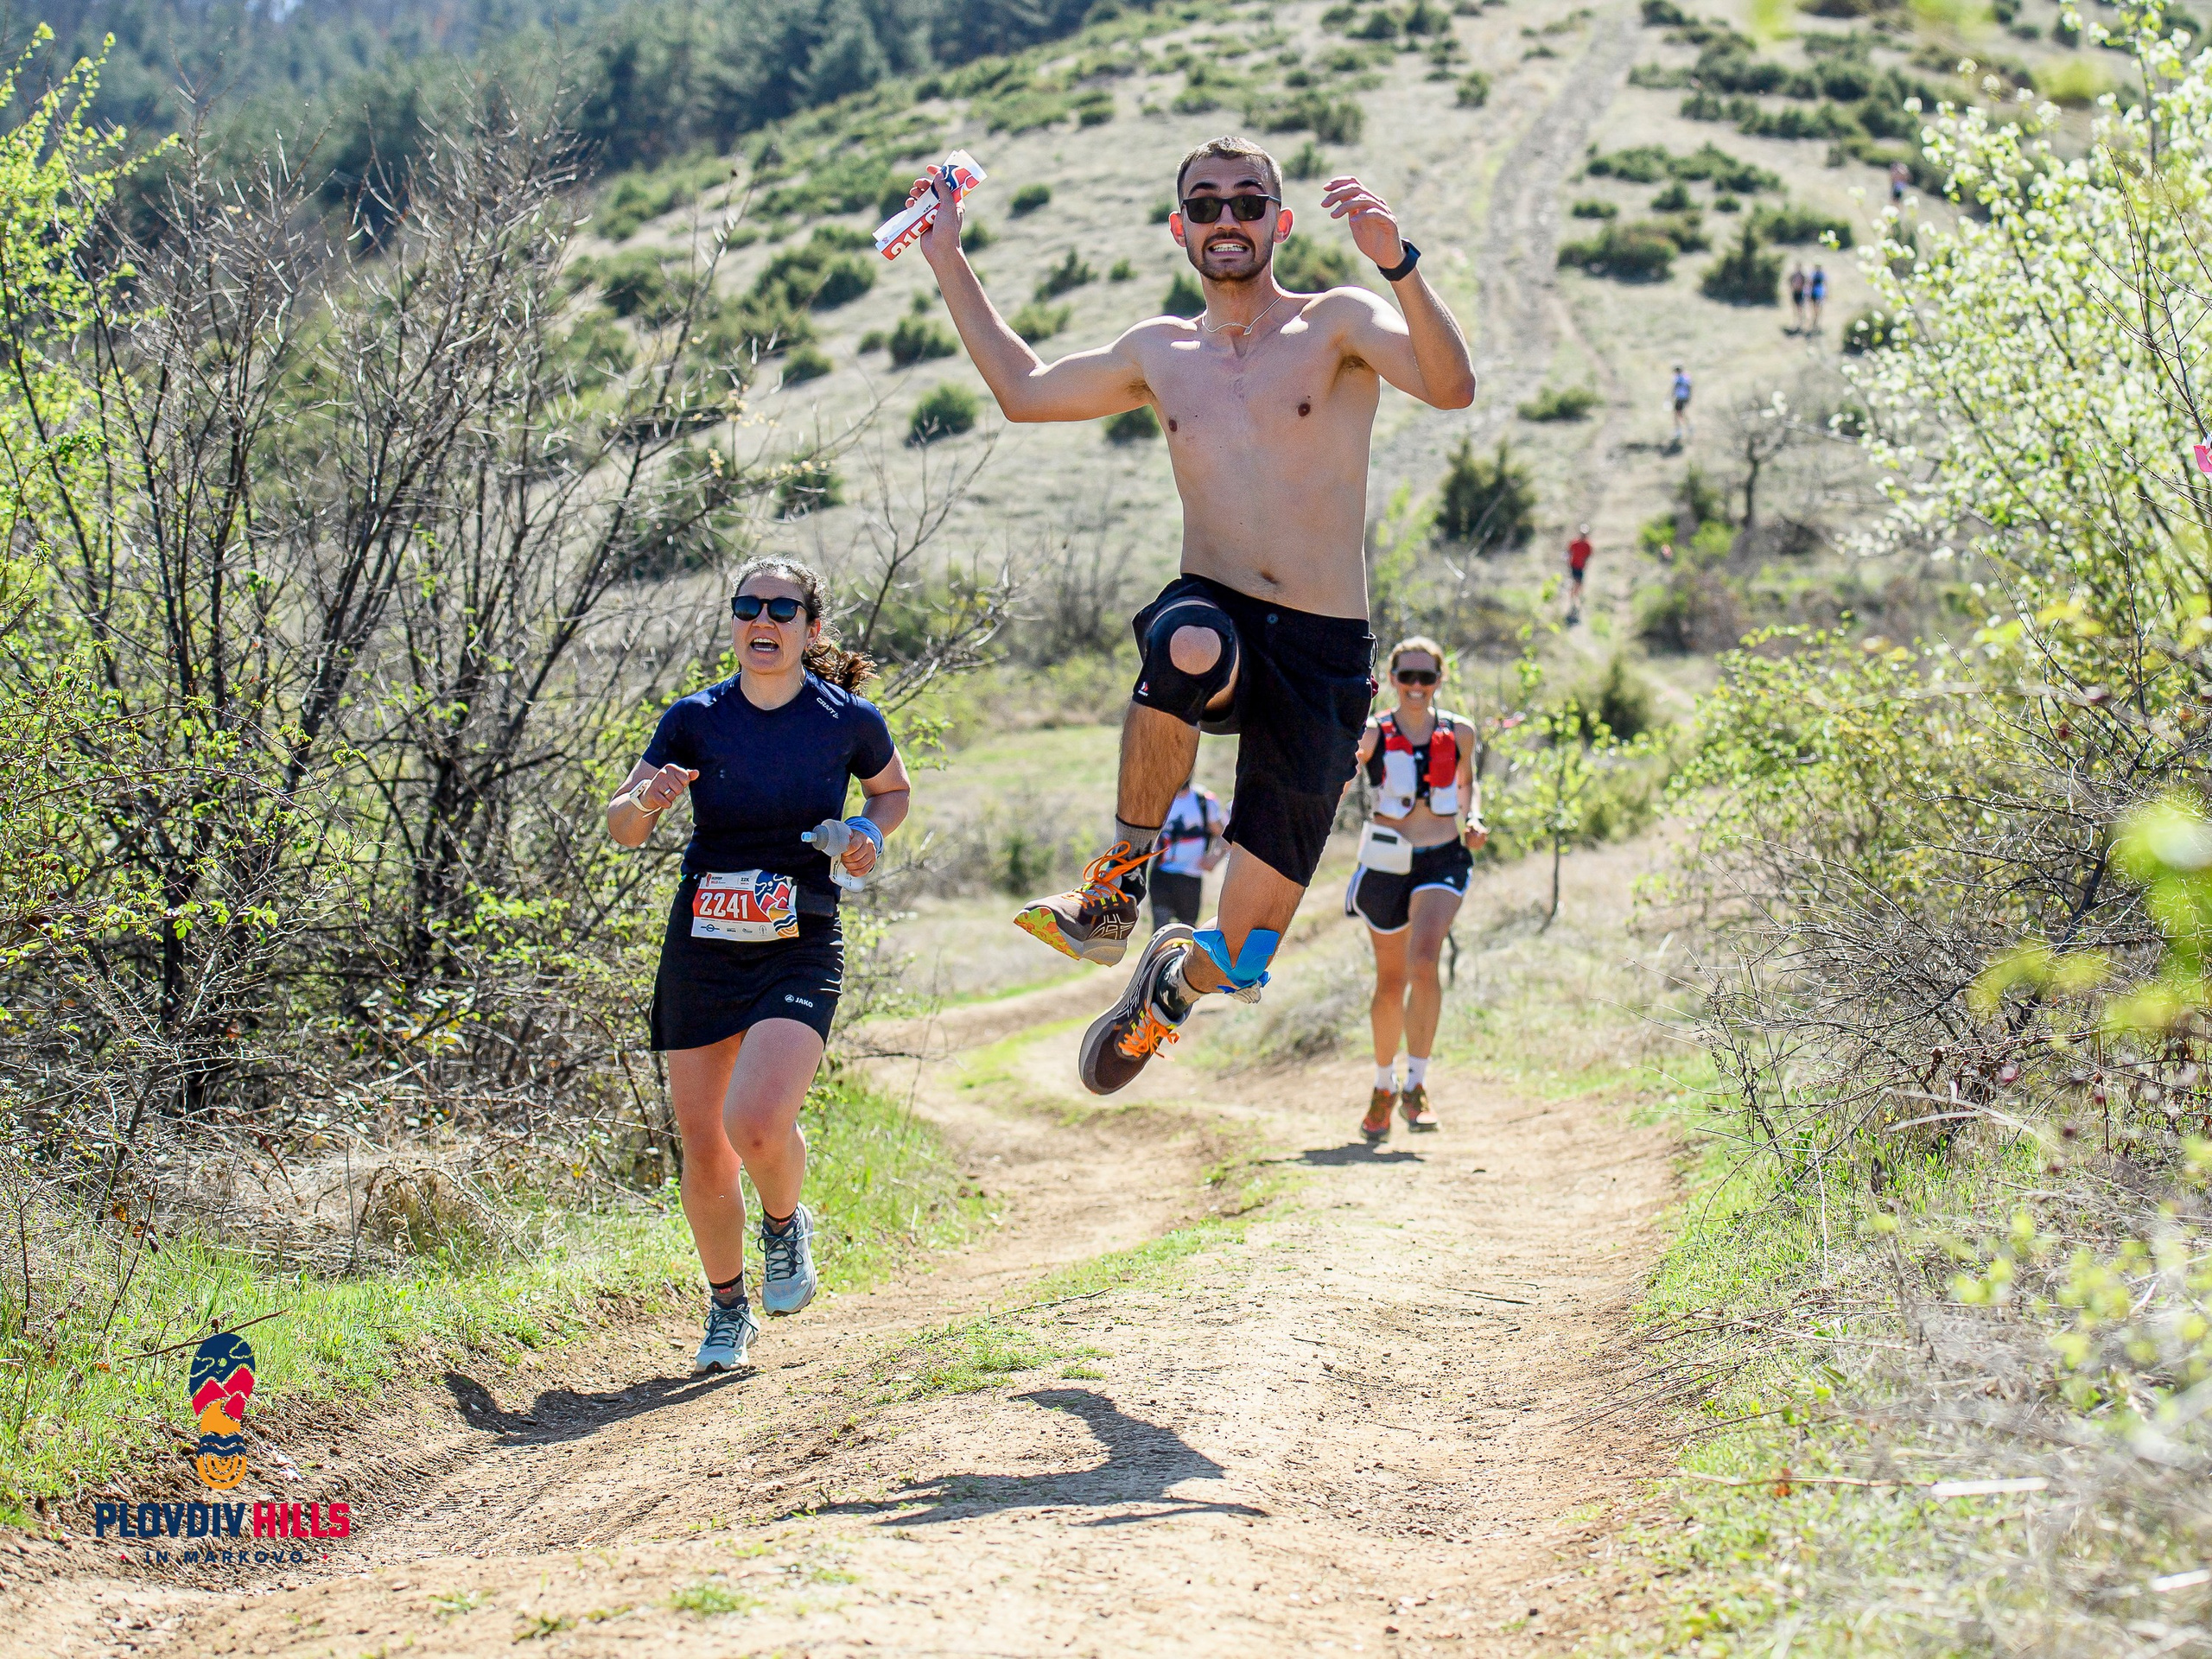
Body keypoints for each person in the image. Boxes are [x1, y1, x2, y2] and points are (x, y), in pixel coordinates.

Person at [906, 135, 1477, 1095]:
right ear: (1180, 228)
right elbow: (1022, 392)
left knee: (1247, 947)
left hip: (1323, 647)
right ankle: (1115, 888)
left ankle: (1172, 985)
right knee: (1188, 637)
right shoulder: (1158, 352)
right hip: (1216, 615)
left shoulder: (1338, 321)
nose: (1225, 219)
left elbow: (1451, 386)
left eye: (1246, 203)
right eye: (1205, 204)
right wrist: (947, 258)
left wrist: (1397, 261)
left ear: (1278, 224)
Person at [607, 558, 912, 1372]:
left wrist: (867, 835)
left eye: (782, 607)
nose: (762, 618)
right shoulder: (694, 719)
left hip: (799, 936)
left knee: (756, 1122)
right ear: (735, 623)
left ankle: (785, 1227)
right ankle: (727, 1309)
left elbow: (892, 793)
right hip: (703, 942)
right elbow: (621, 827)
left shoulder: (847, 718)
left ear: (812, 629)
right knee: (705, 1148)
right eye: (748, 606)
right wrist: (648, 800)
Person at [1344, 638, 1485, 1141]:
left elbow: (1467, 784)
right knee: (1391, 980)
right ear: (1393, 678)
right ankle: (1383, 1088)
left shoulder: (1460, 733)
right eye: (1408, 677)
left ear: (1439, 681)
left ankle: (1416, 1085)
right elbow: (1343, 772)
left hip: (1443, 856)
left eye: (1427, 678)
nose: (1417, 687)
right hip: (1386, 862)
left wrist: (1474, 817)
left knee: (1424, 961)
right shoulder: (1374, 732)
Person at [1151, 775, 1229, 930]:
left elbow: (1222, 834)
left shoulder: (1203, 801)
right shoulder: (1159, 799)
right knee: (1160, 928)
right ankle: (1159, 954)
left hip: (1191, 877)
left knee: (1187, 931)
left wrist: (1214, 858)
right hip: (1161, 873)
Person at [1566, 524, 1593, 624]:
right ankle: (1574, 598)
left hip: (1581, 567)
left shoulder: (1588, 545)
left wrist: (1585, 562)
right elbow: (1569, 552)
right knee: (1576, 583)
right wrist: (1568, 561)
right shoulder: (1574, 543)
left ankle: (1576, 598)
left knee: (1579, 584)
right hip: (1574, 566)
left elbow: (1589, 555)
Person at [1670, 364, 1693, 445]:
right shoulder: (1686, 377)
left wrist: (1671, 395)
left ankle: (1679, 431)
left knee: (1678, 414)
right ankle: (1689, 427)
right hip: (1683, 398)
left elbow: (1675, 387)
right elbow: (1690, 387)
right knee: (1680, 413)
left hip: (1681, 398)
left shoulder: (1680, 378)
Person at [1788, 263, 1807, 332]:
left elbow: (1806, 284)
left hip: (1801, 293)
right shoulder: (1793, 275)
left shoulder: (1803, 275)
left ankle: (1801, 321)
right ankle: (1796, 321)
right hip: (1795, 292)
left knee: (1800, 307)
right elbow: (1790, 282)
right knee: (1795, 307)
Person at [1808, 264, 1827, 332]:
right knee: (1814, 308)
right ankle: (1815, 320)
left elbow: (1825, 283)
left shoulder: (1822, 274)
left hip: (1820, 293)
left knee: (1818, 307)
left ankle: (1816, 321)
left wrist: (1826, 293)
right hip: (1814, 293)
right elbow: (1810, 283)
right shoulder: (1813, 274)